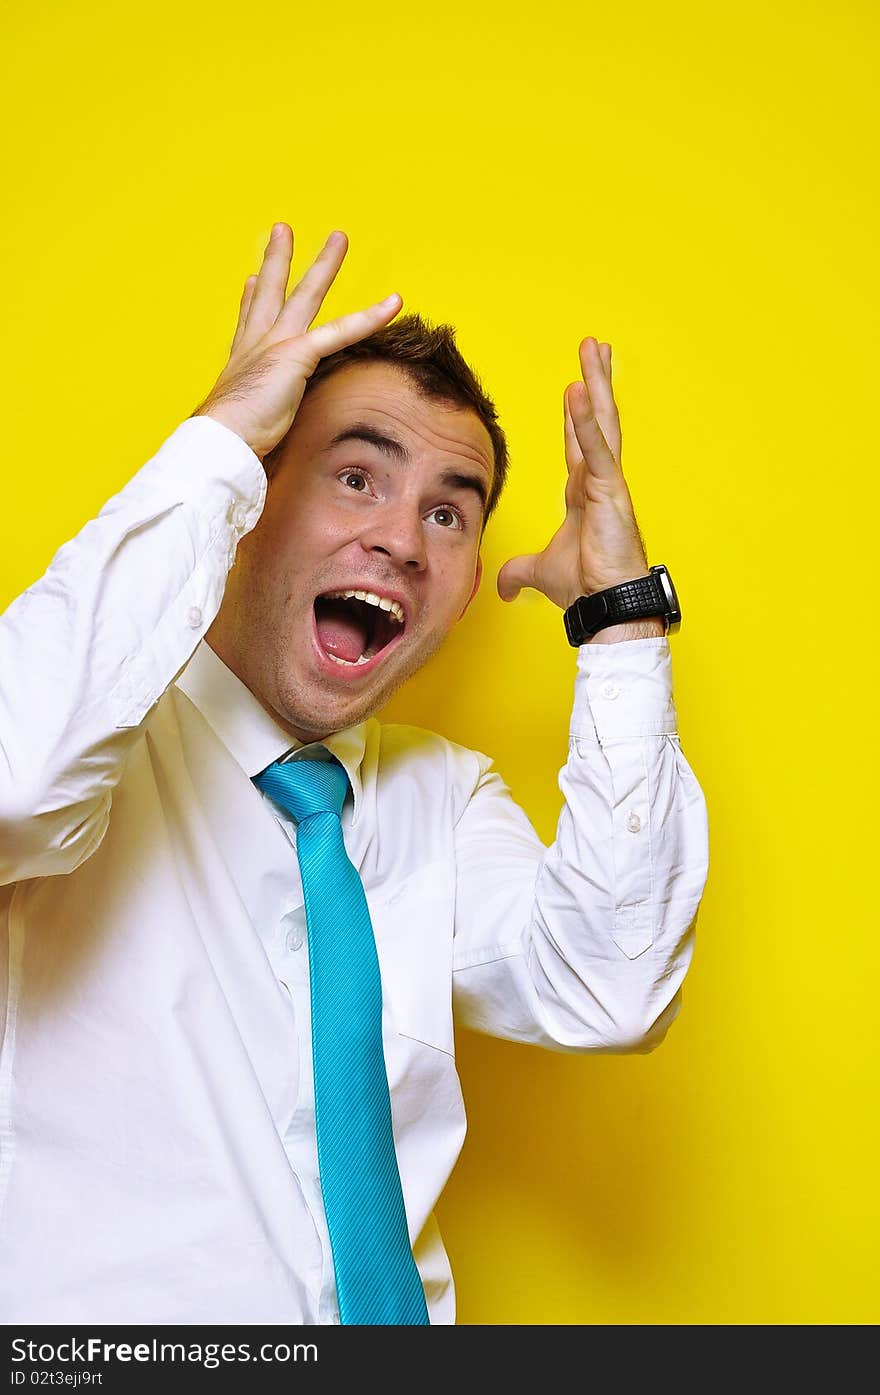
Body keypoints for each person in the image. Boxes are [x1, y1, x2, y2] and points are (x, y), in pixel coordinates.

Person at [0, 221, 709, 1325]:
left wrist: (619, 621)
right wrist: (221, 436)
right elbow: (11, 787)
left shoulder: (443, 799)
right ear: (249, 509)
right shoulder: (89, 745)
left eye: (446, 511)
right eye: (354, 476)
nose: (401, 541)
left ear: (468, 585)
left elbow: (610, 988)